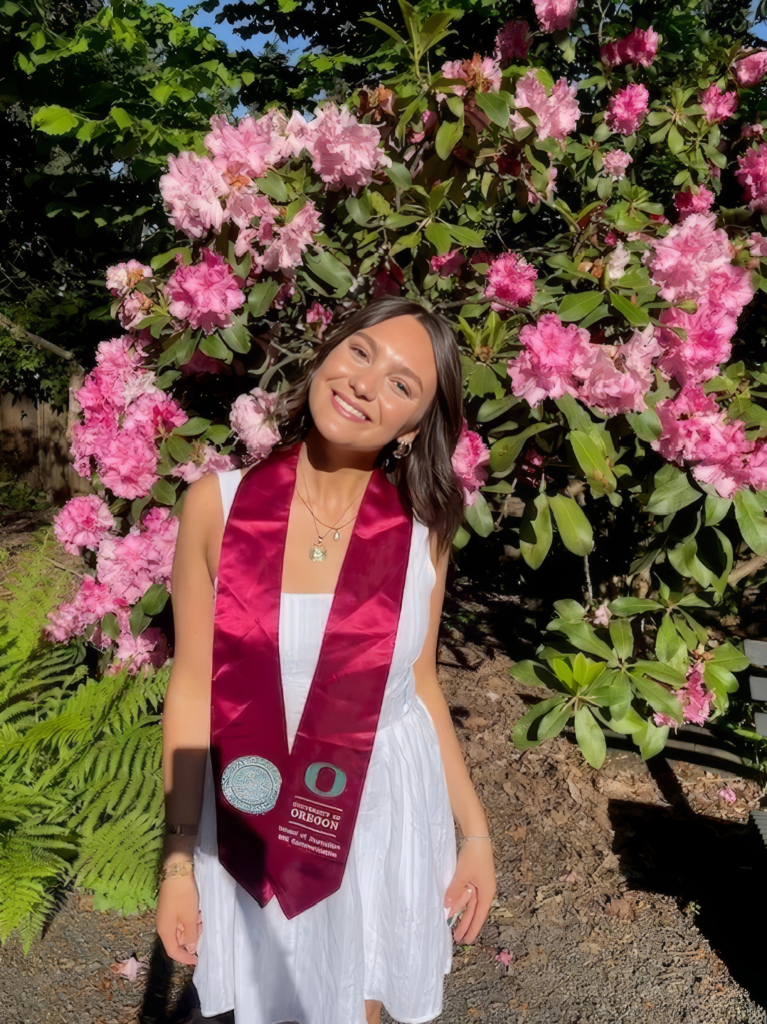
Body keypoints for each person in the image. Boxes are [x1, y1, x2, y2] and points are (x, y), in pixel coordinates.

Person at [157, 296, 496, 1024]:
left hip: (386, 805)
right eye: (361, 352)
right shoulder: (214, 508)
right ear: (325, 355)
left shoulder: (422, 528)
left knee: (364, 1004)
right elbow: (190, 690)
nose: (368, 384)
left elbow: (421, 686)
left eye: (403, 385)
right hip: (257, 802)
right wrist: (178, 862)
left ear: (411, 430)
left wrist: (474, 835)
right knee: (272, 1002)